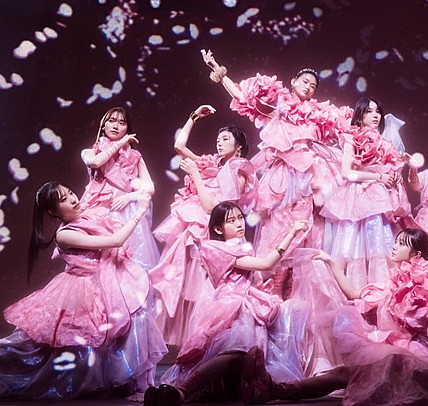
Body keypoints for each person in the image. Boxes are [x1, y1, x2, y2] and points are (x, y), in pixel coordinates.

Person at [239, 228, 428, 405]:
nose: (395, 246)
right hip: (391, 352)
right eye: (397, 241)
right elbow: (354, 293)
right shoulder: (391, 284)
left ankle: (273, 390)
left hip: (408, 356)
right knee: (344, 375)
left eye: (402, 244)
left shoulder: (416, 285)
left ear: (415, 254)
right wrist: (331, 262)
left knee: (347, 376)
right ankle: (273, 390)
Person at [0, 182, 166, 401]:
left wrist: (132, 194)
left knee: (81, 349)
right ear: (53, 212)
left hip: (102, 286)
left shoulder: (87, 216)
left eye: (70, 193)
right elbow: (115, 241)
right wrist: (139, 213)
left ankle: (114, 382)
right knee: (26, 350)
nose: (73, 199)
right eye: (63, 200)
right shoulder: (65, 235)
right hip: (79, 291)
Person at [143, 202, 306, 405]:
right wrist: (291, 234)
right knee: (233, 351)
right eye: (231, 220)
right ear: (218, 229)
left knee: (243, 359)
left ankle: (203, 392)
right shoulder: (215, 247)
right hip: (233, 307)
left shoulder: (243, 247)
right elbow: (266, 264)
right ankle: (182, 392)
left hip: (249, 304)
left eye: (240, 218)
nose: (239, 223)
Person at [202, 49, 351, 258]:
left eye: (313, 86)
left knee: (308, 226)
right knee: (278, 223)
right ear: (293, 82)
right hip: (282, 176)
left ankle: (297, 272)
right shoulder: (279, 105)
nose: (308, 87)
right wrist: (218, 70)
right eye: (305, 81)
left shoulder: (319, 114)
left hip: (309, 176)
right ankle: (273, 271)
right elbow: (243, 97)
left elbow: (346, 132)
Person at [148, 105, 257, 346]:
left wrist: (196, 175)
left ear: (238, 146)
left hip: (212, 234)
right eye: (218, 139)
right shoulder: (214, 166)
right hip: (195, 230)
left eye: (225, 139)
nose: (219, 143)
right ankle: (194, 346)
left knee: (206, 289)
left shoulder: (238, 173)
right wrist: (193, 117)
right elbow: (179, 146)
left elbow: (213, 209)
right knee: (185, 286)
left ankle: (208, 344)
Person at [320, 96, 411, 288]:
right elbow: (347, 173)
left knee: (380, 245)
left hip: (380, 200)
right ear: (359, 116)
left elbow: (389, 168)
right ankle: (356, 293)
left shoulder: (385, 142)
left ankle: (381, 292)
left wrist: (393, 176)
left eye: (378, 111)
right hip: (358, 198)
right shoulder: (351, 138)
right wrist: (378, 177)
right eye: (369, 111)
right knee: (354, 247)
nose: (375, 115)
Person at [80, 106, 160, 271]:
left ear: (127, 129)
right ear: (104, 125)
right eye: (112, 121)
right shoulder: (89, 152)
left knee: (132, 262)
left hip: (126, 211)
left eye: (122, 123)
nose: (116, 126)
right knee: (102, 263)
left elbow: (150, 188)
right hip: (98, 210)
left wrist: (128, 197)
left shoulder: (135, 157)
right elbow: (95, 162)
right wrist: (119, 144)